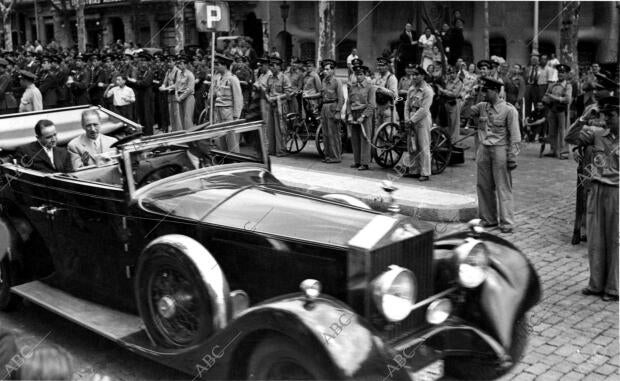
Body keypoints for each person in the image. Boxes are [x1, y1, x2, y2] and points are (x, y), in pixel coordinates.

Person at [565, 96, 619, 302]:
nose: (606, 120)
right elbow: (570, 138)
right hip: (596, 189)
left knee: (614, 239)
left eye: (611, 116)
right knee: (596, 239)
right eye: (604, 115)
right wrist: (583, 119)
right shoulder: (597, 134)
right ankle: (595, 284)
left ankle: (613, 288)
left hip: (617, 192)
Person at [470, 77, 521, 233]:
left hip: (500, 149)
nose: (484, 93)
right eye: (483, 90)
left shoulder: (509, 110)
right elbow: (467, 111)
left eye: (487, 90)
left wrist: (512, 157)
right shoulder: (482, 106)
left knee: (503, 187)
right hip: (484, 149)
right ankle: (488, 219)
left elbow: (515, 137)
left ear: (496, 91)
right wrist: (474, 95)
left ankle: (507, 222)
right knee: (483, 186)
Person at [397, 64, 433, 181]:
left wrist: (412, 120)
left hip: (422, 120)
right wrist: (407, 119)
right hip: (411, 118)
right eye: (413, 74)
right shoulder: (411, 89)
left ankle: (425, 172)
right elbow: (406, 105)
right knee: (412, 146)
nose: (414, 77)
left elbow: (424, 109)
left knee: (423, 146)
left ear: (423, 76)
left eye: (416, 75)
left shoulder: (427, 90)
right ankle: (414, 170)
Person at [210, 53, 243, 152]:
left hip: (228, 112)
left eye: (218, 64)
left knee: (231, 140)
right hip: (219, 110)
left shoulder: (232, 79)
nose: (215, 66)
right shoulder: (218, 78)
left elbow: (238, 99)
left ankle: (235, 160)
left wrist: (236, 116)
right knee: (221, 138)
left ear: (224, 65)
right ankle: (225, 160)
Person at [347, 64, 375, 171]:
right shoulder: (353, 87)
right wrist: (349, 114)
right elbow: (349, 102)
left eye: (361, 74)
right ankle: (357, 161)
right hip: (354, 113)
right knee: (355, 138)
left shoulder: (370, 87)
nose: (358, 77)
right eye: (356, 74)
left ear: (365, 75)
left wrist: (363, 116)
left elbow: (372, 104)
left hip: (365, 114)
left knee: (364, 138)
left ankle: (365, 163)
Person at [543, 63, 572, 159]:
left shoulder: (568, 86)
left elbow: (567, 99)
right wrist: (546, 99)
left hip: (562, 111)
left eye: (563, 73)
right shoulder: (552, 85)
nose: (560, 74)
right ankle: (553, 150)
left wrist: (553, 97)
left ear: (567, 74)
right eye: (559, 72)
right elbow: (546, 96)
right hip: (552, 109)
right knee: (551, 130)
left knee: (562, 131)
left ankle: (564, 152)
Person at [265, 56, 292, 156]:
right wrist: (268, 97)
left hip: (280, 106)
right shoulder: (270, 78)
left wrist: (276, 98)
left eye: (274, 65)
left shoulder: (284, 78)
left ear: (279, 67)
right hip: (271, 105)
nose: (271, 67)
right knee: (270, 128)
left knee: (280, 128)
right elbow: (267, 90)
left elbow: (288, 93)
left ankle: (280, 150)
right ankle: (272, 149)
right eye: (271, 65)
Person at [319, 58, 344, 163]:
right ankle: (328, 155)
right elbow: (321, 94)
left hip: (333, 107)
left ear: (333, 70)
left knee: (333, 133)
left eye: (328, 69)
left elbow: (341, 98)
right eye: (325, 69)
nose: (325, 71)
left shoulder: (337, 81)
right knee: (325, 133)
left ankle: (336, 157)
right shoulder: (324, 81)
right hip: (324, 107)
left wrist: (338, 111)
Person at [129, 52, 155, 135]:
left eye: (144, 61)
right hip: (140, 95)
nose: (142, 63)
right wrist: (135, 82)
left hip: (147, 96)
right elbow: (135, 83)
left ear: (147, 62)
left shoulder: (150, 72)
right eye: (141, 61)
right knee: (141, 114)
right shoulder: (139, 72)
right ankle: (143, 132)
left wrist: (135, 81)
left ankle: (149, 133)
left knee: (147, 114)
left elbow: (145, 83)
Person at [437, 66, 463, 142]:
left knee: (454, 123)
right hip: (446, 103)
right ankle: (448, 140)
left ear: (456, 73)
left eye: (453, 73)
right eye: (450, 73)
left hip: (454, 103)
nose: (451, 75)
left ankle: (454, 141)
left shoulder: (459, 82)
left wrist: (442, 91)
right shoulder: (448, 81)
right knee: (447, 123)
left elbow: (454, 94)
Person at [373, 57, 398, 127]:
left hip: (388, 109)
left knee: (388, 133)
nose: (379, 68)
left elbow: (394, 95)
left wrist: (380, 89)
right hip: (378, 109)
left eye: (382, 65)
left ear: (387, 66)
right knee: (378, 134)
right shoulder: (378, 78)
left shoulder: (392, 78)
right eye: (378, 65)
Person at [160, 55, 182, 131]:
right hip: (169, 95)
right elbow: (165, 81)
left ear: (174, 62)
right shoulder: (168, 71)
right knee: (171, 114)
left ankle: (178, 131)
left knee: (177, 114)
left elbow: (177, 84)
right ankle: (173, 130)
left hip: (176, 94)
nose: (168, 64)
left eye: (170, 62)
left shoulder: (178, 72)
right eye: (168, 62)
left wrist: (165, 88)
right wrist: (162, 86)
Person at [175, 55, 196, 130]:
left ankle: (189, 139)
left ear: (186, 64)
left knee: (187, 119)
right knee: (181, 118)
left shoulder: (190, 75)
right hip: (180, 96)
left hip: (188, 97)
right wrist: (177, 95)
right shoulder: (179, 74)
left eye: (181, 63)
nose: (179, 65)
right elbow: (176, 86)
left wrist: (180, 97)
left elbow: (190, 89)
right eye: (178, 63)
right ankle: (184, 136)